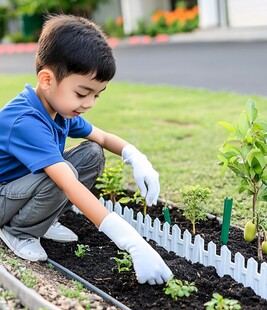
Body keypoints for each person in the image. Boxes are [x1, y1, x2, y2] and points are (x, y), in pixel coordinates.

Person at [0, 14, 172, 285]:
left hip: (22, 190)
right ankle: (20, 231)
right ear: (47, 79)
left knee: (91, 153)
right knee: (63, 173)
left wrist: (136, 157)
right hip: (3, 197)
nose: (89, 103)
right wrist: (131, 242)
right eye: (82, 93)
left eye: (96, 94)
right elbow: (68, 184)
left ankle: (42, 219)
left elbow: (101, 137)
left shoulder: (58, 108)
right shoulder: (25, 121)